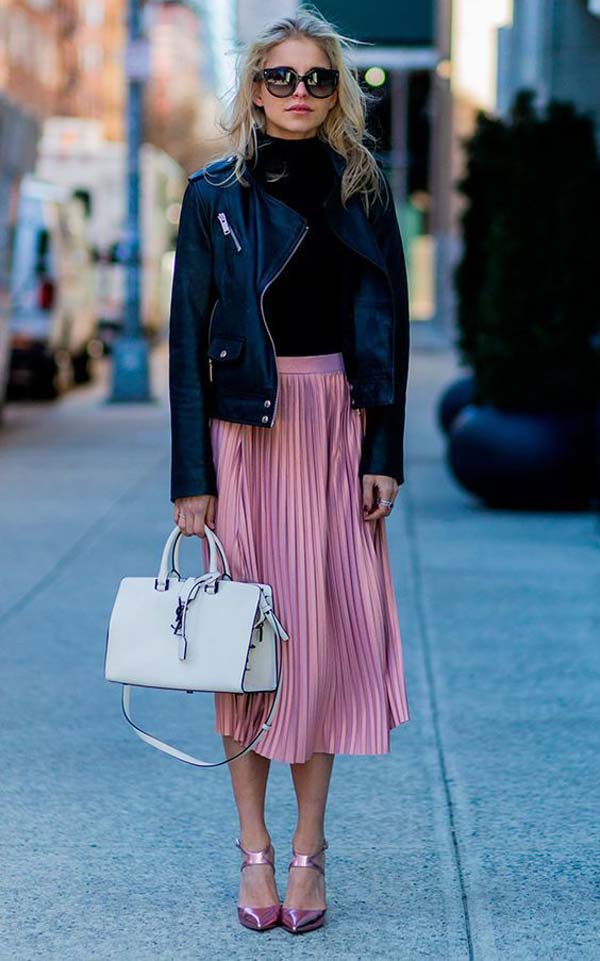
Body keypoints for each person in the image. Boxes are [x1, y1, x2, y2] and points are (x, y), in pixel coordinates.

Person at [168, 10, 411, 935]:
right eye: (281, 77)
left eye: (316, 78)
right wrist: (192, 479)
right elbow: (189, 342)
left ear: (335, 91)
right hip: (245, 439)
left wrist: (382, 452)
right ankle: (254, 850)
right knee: (245, 652)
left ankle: (309, 853)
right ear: (254, 88)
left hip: (335, 434)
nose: (298, 93)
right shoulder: (211, 197)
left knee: (317, 654)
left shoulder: (364, 188)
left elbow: (382, 329)